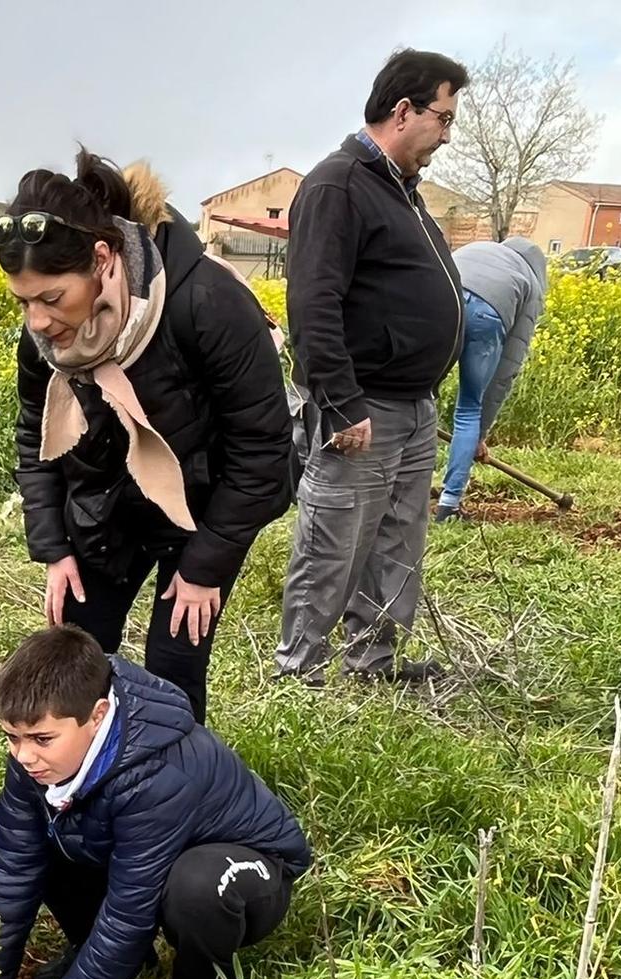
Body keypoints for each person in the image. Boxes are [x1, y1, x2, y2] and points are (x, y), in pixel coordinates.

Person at [0, 150, 292, 724]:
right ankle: (80, 795)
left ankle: (170, 797)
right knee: (78, 657)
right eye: (24, 301)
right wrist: (54, 547)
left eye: (52, 298)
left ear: (103, 259)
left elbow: (264, 450)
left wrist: (205, 566)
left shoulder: (204, 303)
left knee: (171, 668)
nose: (37, 321)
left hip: (203, 508)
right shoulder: (45, 342)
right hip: (106, 505)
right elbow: (35, 440)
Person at [0, 626, 311, 979]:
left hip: (246, 870)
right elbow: (14, 873)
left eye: (42, 739)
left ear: (97, 715)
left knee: (195, 888)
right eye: (12, 737)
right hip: (150, 856)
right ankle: (118, 960)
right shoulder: (35, 763)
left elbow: (128, 913)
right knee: (39, 833)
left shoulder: (157, 774)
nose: (24, 755)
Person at [274, 48, 468, 685]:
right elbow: (313, 302)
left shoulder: (402, 191)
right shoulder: (339, 185)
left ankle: (373, 660)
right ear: (403, 110)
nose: (446, 134)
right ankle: (299, 669)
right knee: (334, 539)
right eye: (443, 118)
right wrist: (341, 401)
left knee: (397, 542)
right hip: (363, 405)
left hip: (412, 407)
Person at [435, 237, 551, 521]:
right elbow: (505, 370)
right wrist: (479, 433)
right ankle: (449, 505)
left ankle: (400, 487)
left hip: (439, 299)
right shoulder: (531, 285)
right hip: (487, 314)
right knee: (469, 408)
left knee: (419, 395)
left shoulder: (479, 247)